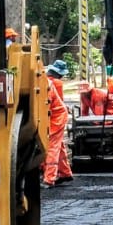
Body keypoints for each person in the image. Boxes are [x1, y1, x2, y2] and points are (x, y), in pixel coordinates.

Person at [42, 60, 74, 188]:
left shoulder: (47, 83)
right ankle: (66, 173)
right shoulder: (53, 83)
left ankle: (49, 179)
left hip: (56, 118)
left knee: (52, 147)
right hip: (56, 116)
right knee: (58, 145)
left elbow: (47, 104)